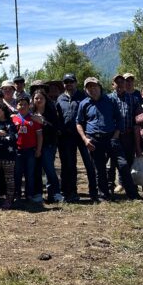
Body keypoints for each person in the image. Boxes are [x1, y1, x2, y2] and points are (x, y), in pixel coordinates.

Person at [76, 77, 139, 201]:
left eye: (94, 86)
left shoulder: (110, 100)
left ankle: (132, 194)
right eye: (89, 87)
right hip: (93, 139)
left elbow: (119, 119)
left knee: (123, 165)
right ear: (85, 90)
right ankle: (104, 195)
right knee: (100, 169)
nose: (92, 89)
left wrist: (116, 135)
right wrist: (85, 139)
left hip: (111, 138)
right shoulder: (84, 103)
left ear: (100, 87)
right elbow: (78, 122)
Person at [57, 74, 98, 202]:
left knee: (89, 164)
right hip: (67, 137)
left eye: (71, 81)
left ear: (76, 82)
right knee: (69, 165)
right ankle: (71, 192)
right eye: (66, 82)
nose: (69, 84)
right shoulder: (60, 99)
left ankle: (94, 192)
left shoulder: (83, 96)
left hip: (84, 135)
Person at [32, 89, 64, 203]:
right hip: (34, 145)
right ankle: (38, 193)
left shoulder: (51, 111)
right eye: (36, 98)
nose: (38, 100)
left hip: (49, 145)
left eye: (41, 98)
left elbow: (55, 128)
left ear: (46, 99)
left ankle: (55, 193)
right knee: (36, 169)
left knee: (49, 168)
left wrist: (42, 122)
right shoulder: (31, 112)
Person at [12, 95, 42, 202]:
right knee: (17, 173)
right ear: (16, 106)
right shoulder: (14, 118)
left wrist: (38, 150)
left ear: (29, 106)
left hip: (30, 151)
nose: (23, 106)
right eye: (20, 104)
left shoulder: (34, 118)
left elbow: (39, 136)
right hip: (17, 151)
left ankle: (29, 194)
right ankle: (17, 194)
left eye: (25, 104)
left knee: (30, 174)